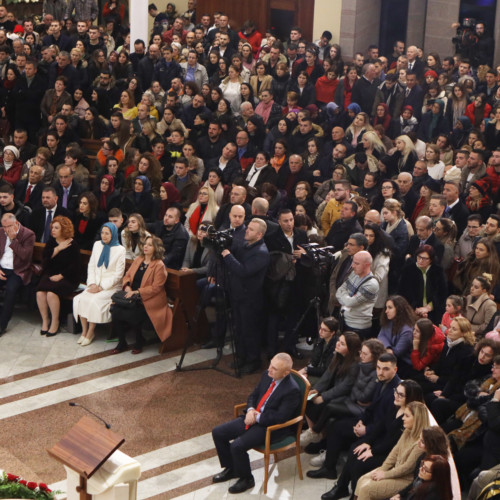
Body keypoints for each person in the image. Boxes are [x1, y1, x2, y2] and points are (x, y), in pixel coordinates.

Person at [211, 353, 301, 494]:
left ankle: (247, 478)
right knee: (218, 432)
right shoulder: (267, 375)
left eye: (274, 368)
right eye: (270, 364)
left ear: (286, 373)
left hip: (270, 428)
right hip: (253, 416)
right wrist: (251, 410)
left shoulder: (292, 390)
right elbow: (253, 395)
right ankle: (232, 468)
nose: (269, 369)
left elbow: (280, 417)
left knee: (237, 446)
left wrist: (257, 417)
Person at [221, 218, 270, 374]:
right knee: (239, 329)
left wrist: (227, 256)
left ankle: (253, 360)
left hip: (250, 298)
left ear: (259, 234)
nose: (247, 230)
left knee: (250, 331)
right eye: (248, 227)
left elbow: (244, 271)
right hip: (237, 295)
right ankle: (241, 357)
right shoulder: (245, 245)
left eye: (251, 229)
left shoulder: (261, 253)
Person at [354, 401, 430, 499]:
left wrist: (385, 474)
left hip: (404, 479)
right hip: (394, 470)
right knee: (362, 480)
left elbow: (407, 468)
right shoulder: (407, 431)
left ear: (417, 419)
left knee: (367, 489)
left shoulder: (420, 443)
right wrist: (382, 470)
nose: (402, 418)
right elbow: (394, 453)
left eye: (406, 416)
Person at [111, 235, 172, 354]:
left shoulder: (159, 265)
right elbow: (127, 275)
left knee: (135, 312)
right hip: (132, 295)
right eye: (145, 244)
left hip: (149, 299)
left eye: (150, 245)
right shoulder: (139, 259)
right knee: (115, 310)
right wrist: (127, 285)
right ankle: (122, 342)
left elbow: (156, 288)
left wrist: (137, 292)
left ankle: (139, 341)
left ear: (156, 248)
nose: (146, 247)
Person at [73, 222, 126, 346]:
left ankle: (91, 332)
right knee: (80, 298)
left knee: (94, 301)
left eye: (107, 233)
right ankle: (84, 331)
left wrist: (101, 287)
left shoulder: (120, 250)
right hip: (94, 284)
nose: (104, 236)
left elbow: (118, 275)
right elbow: (91, 266)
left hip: (110, 287)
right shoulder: (97, 245)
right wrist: (91, 284)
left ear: (113, 234)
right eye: (102, 232)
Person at [36, 216, 80, 337]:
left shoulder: (72, 244)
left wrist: (61, 276)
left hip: (68, 277)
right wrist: (58, 248)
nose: (53, 230)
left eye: (56, 228)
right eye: (52, 227)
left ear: (64, 230)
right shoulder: (51, 242)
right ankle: (45, 320)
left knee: (51, 293)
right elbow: (45, 261)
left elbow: (75, 266)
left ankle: (55, 321)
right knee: (40, 293)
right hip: (50, 274)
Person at [0, 214, 35, 335]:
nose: (6, 230)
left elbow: (25, 256)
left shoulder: (28, 234)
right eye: (3, 227)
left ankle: (2, 325)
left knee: (11, 290)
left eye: (8, 226)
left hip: (18, 270)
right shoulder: (0, 232)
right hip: (2, 268)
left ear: (16, 223)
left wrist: (13, 240)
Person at [399, 245, 447, 325]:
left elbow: (442, 293)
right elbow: (403, 292)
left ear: (431, 260)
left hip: (433, 312)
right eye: (419, 257)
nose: (421, 260)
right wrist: (415, 309)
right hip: (412, 311)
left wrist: (429, 307)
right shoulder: (408, 270)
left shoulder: (438, 271)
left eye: (425, 258)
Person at [336, 250, 379, 339]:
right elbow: (339, 291)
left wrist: (345, 297)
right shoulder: (354, 274)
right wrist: (346, 297)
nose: (353, 266)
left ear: (367, 265)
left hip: (358, 327)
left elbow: (350, 303)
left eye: (357, 263)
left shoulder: (371, 284)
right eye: (353, 262)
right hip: (345, 321)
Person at [377, 296, 416, 376]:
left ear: (399, 309)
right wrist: (388, 348)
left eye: (390, 308)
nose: (386, 311)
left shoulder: (407, 330)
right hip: (390, 357)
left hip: (403, 365)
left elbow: (397, 353)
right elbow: (381, 336)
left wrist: (387, 350)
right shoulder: (388, 322)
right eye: (386, 308)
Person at [298, 317, 339, 385]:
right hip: (317, 370)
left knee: (301, 383)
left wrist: (307, 370)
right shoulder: (321, 340)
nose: (320, 331)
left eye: (324, 330)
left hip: (326, 377)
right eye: (320, 328)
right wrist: (306, 371)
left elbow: (326, 371)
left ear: (332, 333)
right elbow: (314, 361)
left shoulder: (335, 347)